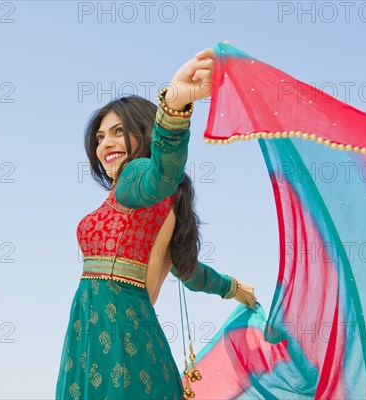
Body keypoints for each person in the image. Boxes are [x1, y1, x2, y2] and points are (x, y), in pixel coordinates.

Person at [55, 46, 257, 399]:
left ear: (145, 133)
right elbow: (190, 273)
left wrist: (175, 106)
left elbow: (164, 173)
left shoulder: (136, 180)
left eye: (118, 132)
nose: (106, 144)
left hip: (116, 334)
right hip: (108, 331)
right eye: (101, 137)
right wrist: (235, 288)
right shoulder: (149, 200)